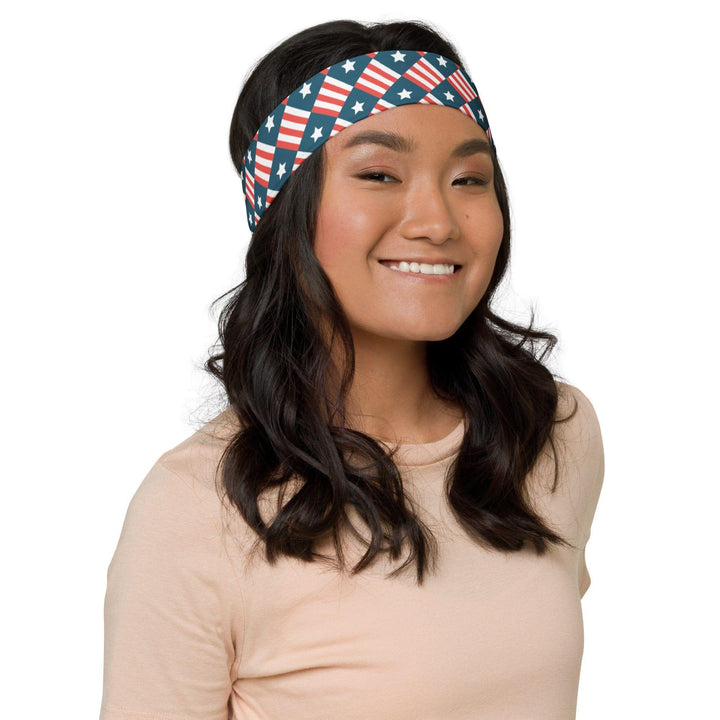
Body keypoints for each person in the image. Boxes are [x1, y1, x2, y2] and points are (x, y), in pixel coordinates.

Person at [100, 19, 604, 720]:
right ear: (286, 212)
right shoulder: (196, 509)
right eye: (378, 175)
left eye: (468, 179)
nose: (437, 221)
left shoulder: (550, 433)